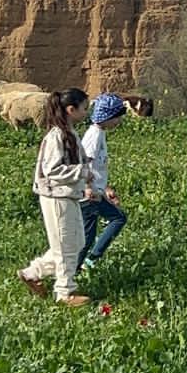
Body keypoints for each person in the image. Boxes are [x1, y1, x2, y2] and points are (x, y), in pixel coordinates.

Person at [18, 87, 94, 307]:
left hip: (68, 194)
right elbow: (51, 170)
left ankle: (33, 273)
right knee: (65, 246)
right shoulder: (57, 136)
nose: (86, 112)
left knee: (76, 242)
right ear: (71, 109)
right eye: (84, 108)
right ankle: (65, 293)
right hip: (56, 196)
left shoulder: (69, 133)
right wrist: (81, 171)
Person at [79, 93, 128, 272]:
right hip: (90, 195)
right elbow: (84, 162)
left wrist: (106, 188)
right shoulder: (94, 136)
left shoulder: (99, 133)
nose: (119, 121)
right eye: (117, 117)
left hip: (96, 191)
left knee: (88, 236)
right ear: (107, 116)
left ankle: (77, 267)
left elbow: (97, 168)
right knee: (117, 219)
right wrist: (87, 188)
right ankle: (83, 264)